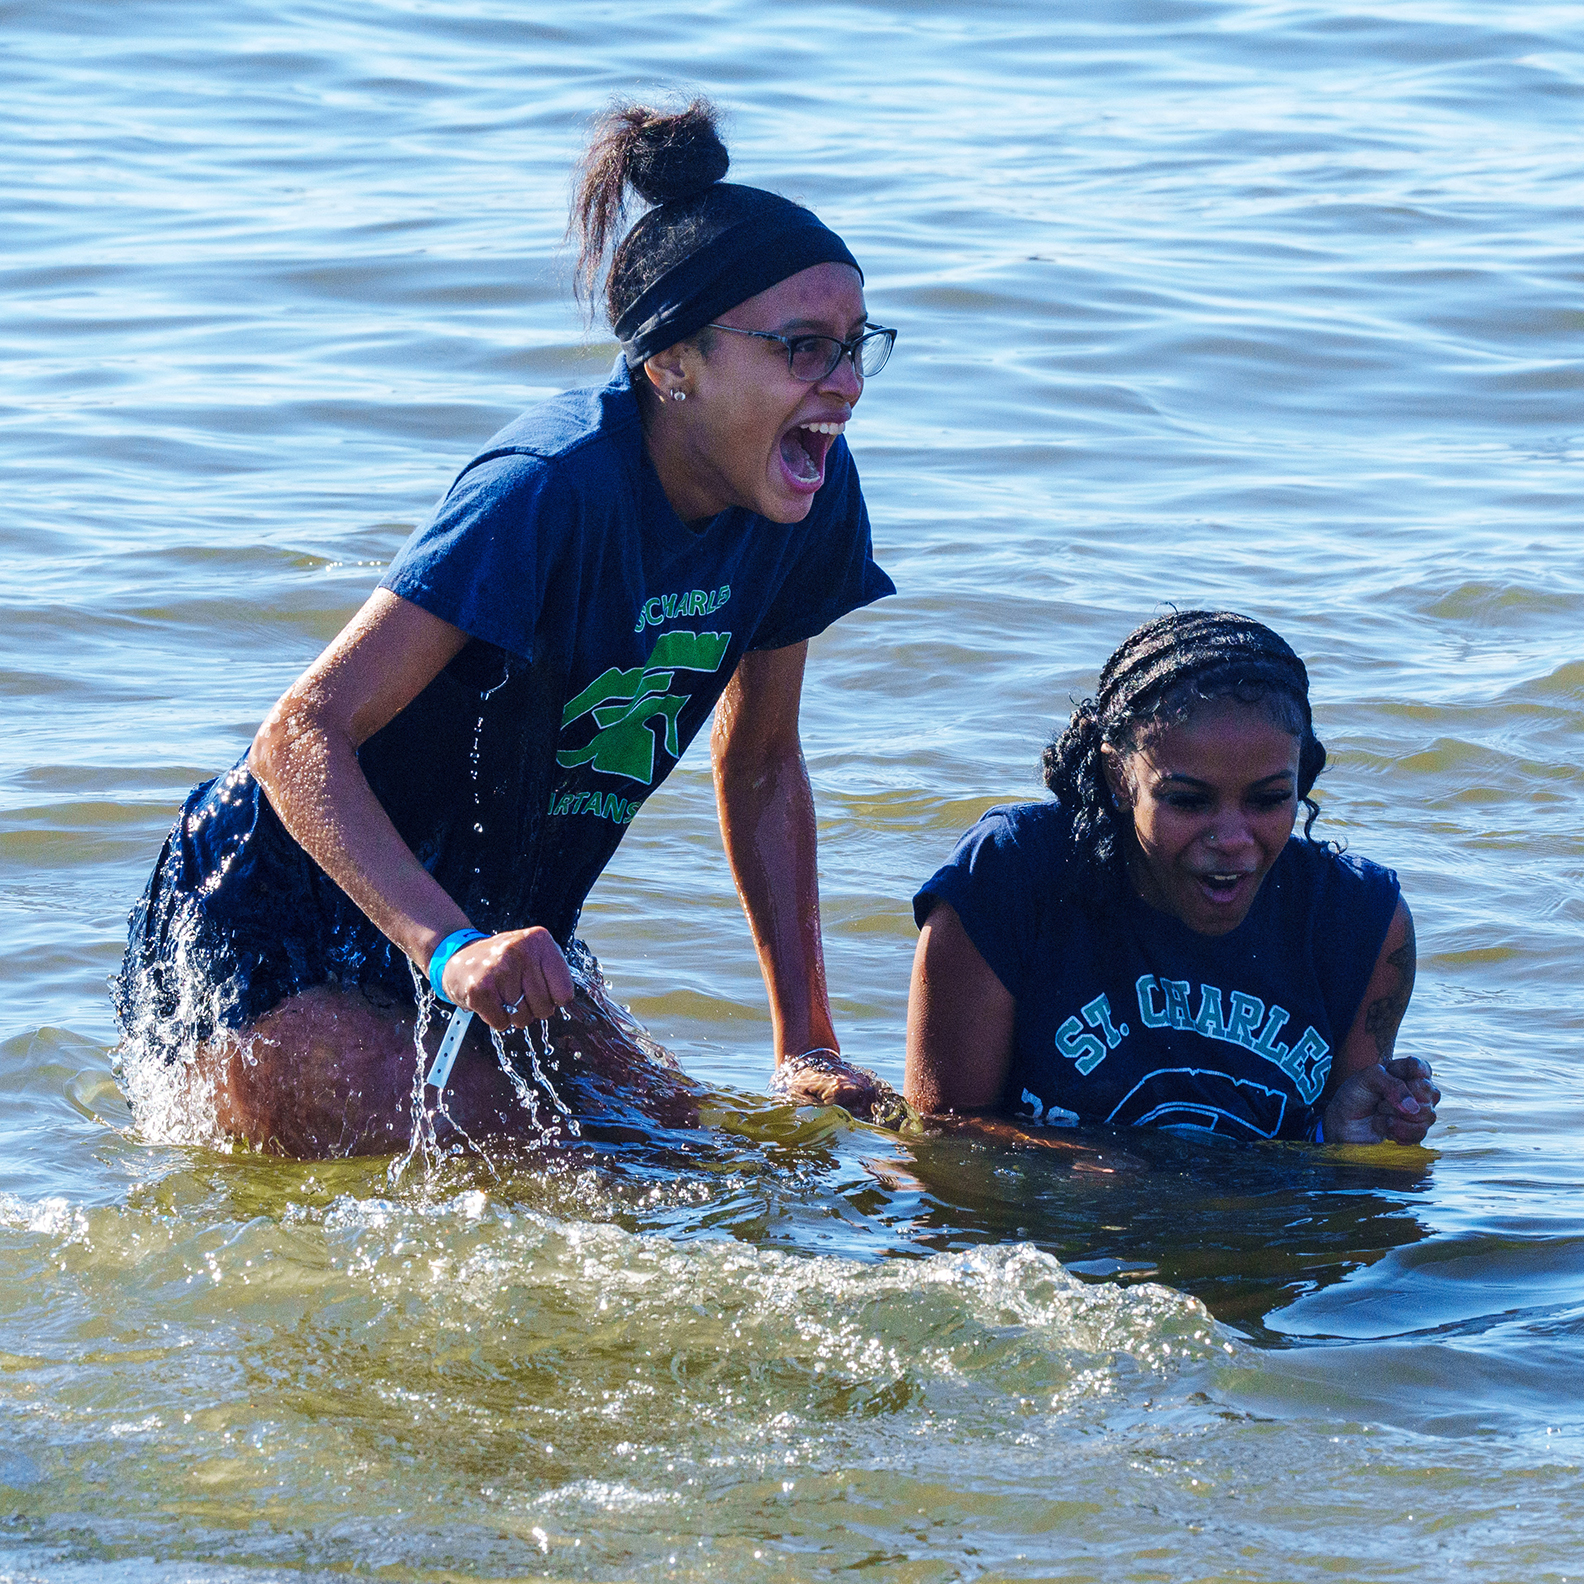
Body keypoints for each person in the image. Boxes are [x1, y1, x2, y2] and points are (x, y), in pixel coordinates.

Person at [113, 99, 898, 1156]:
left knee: (716, 1153)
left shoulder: (803, 492)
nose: (844, 387)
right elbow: (297, 738)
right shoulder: (545, 490)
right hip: (271, 936)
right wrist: (448, 952)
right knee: (604, 1185)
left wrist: (806, 1044)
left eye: (855, 347)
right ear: (674, 361)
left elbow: (759, 763)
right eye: (805, 349)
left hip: (495, 932)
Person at [905, 610, 1439, 1147]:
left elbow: (1325, 1174)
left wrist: (1339, 1136)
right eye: (1187, 800)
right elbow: (936, 1138)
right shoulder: (1008, 877)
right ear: (1120, 777)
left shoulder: (1360, 922)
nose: (1232, 839)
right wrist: (1070, 1163)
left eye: (1269, 799)